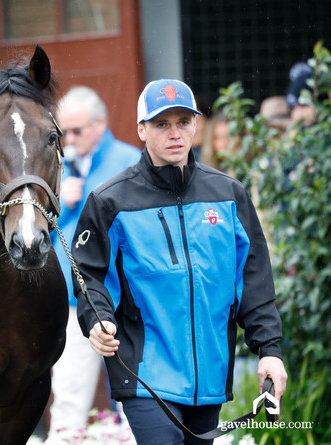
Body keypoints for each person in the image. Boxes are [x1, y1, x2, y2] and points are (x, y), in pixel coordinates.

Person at [71, 79, 287, 444]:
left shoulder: (230, 195)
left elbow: (253, 281)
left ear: (195, 126)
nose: (175, 133)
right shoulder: (109, 201)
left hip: (210, 376)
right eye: (161, 124)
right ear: (141, 129)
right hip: (144, 374)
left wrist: (269, 350)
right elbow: (88, 275)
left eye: (183, 122)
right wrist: (98, 320)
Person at [46, 86, 141, 442]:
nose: (69, 139)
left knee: (133, 396)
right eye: (63, 132)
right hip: (73, 301)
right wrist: (63, 204)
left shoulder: (128, 161)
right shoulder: (57, 166)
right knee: (69, 393)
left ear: (100, 124)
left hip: (121, 300)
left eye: (76, 131)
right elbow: (46, 238)